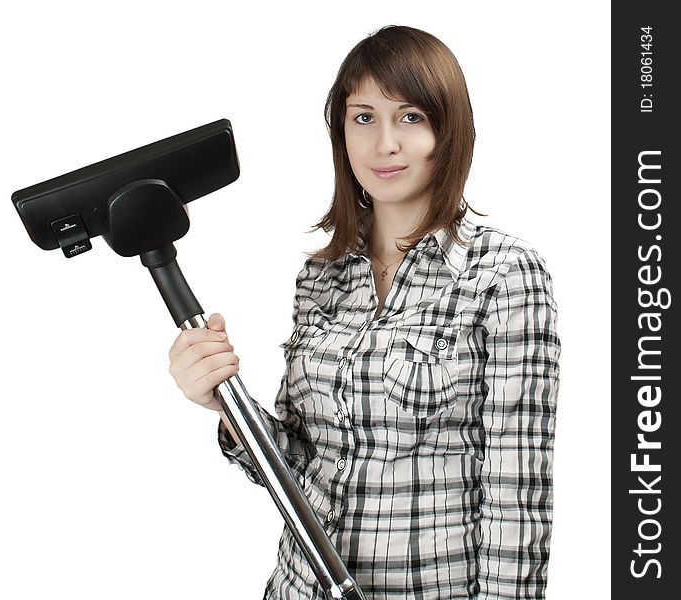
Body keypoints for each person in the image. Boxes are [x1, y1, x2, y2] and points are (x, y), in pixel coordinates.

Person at [168, 25, 560, 600]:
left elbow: (517, 499)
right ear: (341, 133)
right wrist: (224, 404)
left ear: (448, 132)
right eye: (364, 117)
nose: (385, 145)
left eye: (410, 117)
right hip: (301, 587)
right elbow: (297, 463)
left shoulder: (505, 276)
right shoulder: (321, 278)